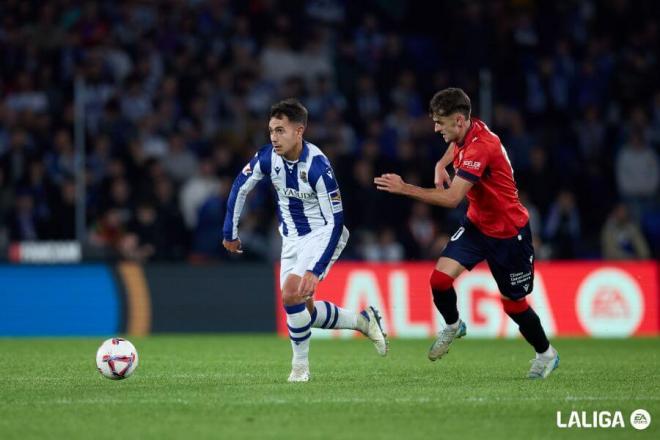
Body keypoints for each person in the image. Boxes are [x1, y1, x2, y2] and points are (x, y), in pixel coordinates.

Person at [374, 88, 559, 379]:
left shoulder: (481, 147)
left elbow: (451, 198)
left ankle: (546, 354)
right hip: (477, 226)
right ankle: (453, 325)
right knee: (439, 279)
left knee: (513, 305)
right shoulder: (470, 130)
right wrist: (440, 164)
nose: (436, 128)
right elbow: (456, 148)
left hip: (509, 233)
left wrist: (404, 188)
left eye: (440, 123)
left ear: (459, 121)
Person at [223, 99, 388, 382]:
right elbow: (240, 186)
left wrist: (316, 268)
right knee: (303, 310)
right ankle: (363, 321)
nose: (274, 137)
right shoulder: (267, 158)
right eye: (271, 130)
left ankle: (300, 369)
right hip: (291, 239)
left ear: (299, 131)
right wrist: (230, 231)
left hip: (323, 235)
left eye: (281, 131)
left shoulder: (318, 168)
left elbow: (336, 222)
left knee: (290, 294)